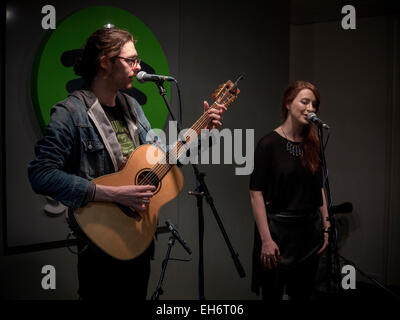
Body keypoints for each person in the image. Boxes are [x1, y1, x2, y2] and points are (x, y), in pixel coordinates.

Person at [28, 27, 226, 300]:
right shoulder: (70, 112)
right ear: (105, 62)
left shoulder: (132, 107)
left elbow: (161, 162)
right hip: (100, 247)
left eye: (137, 60)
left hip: (139, 240)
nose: (138, 66)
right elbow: (41, 175)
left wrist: (203, 133)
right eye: (130, 60)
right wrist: (113, 193)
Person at [249, 81, 331, 301]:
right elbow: (256, 193)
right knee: (273, 294)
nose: (310, 108)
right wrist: (266, 239)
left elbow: (318, 186)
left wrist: (325, 223)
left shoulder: (312, 144)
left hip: (308, 233)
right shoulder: (268, 144)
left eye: (314, 104)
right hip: (278, 233)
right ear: (288, 103)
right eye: (305, 102)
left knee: (304, 294)